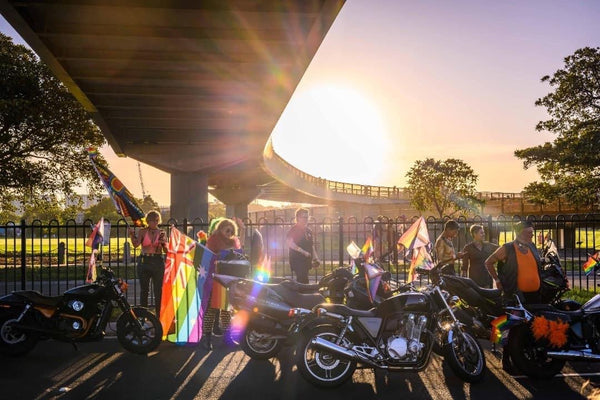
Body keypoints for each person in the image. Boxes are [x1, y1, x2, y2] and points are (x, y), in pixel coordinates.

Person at [484, 220, 542, 374]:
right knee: (511, 328)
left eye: (532, 232)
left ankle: (523, 358)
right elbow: (488, 262)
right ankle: (506, 359)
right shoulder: (508, 248)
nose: (532, 234)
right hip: (514, 295)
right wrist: (497, 280)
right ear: (520, 232)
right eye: (529, 232)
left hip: (533, 296)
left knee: (527, 329)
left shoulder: (532, 247)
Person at [201, 218, 242, 350]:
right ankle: (207, 338)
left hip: (228, 278)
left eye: (231, 230)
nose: (229, 233)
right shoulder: (213, 239)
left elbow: (239, 254)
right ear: (220, 229)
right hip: (215, 277)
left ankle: (227, 338)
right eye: (227, 230)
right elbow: (207, 256)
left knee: (226, 310)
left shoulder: (233, 241)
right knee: (212, 309)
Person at [129, 210, 167, 316]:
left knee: (158, 291)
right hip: (144, 261)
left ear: (158, 221)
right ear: (147, 221)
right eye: (151, 220)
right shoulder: (143, 231)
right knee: (144, 291)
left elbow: (166, 251)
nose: (154, 222)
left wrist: (164, 244)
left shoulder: (162, 232)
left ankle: (159, 315)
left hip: (157, 262)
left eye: (156, 220)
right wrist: (132, 235)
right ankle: (143, 316)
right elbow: (136, 245)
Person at [286, 208, 320, 284]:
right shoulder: (294, 230)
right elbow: (290, 243)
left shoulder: (308, 231)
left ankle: (302, 294)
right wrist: (302, 251)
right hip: (297, 260)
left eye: (307, 217)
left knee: (304, 279)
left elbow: (311, 245)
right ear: (298, 217)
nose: (306, 219)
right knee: (302, 280)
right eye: (303, 217)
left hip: (306, 260)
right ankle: (302, 295)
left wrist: (316, 258)